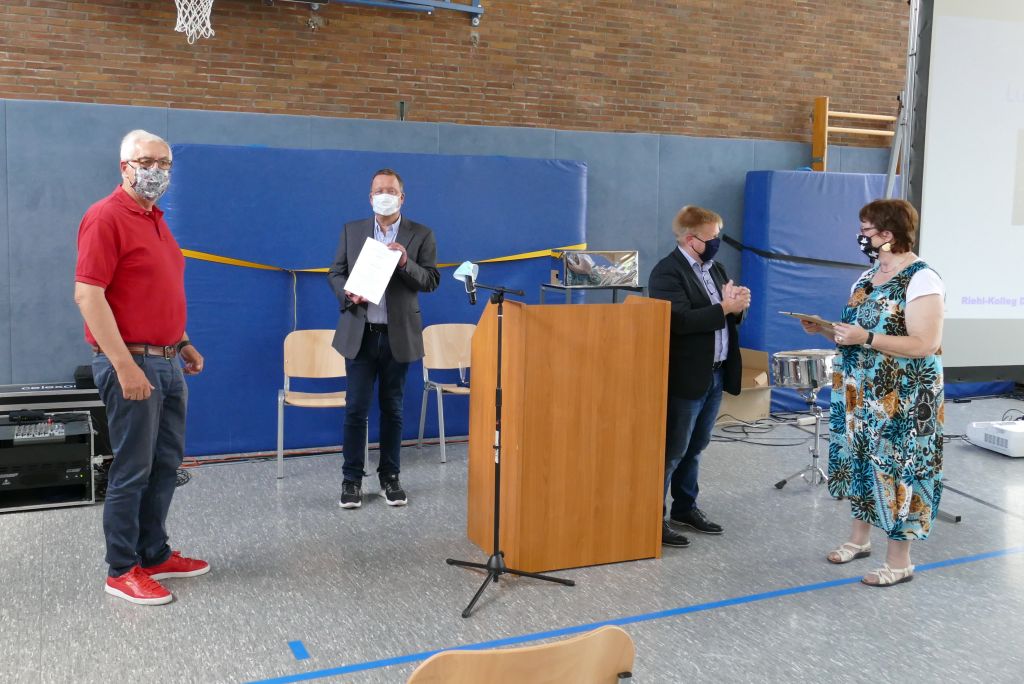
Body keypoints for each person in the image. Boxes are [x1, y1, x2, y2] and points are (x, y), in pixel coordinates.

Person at [74, 130, 209, 606]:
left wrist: (183, 341)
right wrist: (124, 366)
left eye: (164, 163)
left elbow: (153, 290)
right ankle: (121, 569)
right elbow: (88, 295)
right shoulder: (105, 217)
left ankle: (153, 554)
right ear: (124, 167)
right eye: (146, 161)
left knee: (166, 464)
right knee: (133, 469)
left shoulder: (156, 220)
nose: (156, 171)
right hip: (132, 363)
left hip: (167, 360)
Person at [802, 198, 944, 586]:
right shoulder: (866, 278)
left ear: (888, 234)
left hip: (904, 397)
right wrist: (826, 329)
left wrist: (865, 337)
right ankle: (859, 539)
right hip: (861, 393)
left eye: (866, 230)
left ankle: (900, 561)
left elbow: (925, 343)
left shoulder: (921, 278)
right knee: (863, 461)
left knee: (901, 470)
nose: (861, 236)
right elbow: (855, 336)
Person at [328, 169, 440, 509]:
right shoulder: (352, 231)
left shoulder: (421, 234)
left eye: (391, 190)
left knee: (393, 409)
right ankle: (351, 479)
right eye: (379, 190)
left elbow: (431, 280)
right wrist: (348, 294)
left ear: (401, 197)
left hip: (398, 335)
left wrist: (405, 262)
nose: (384, 195)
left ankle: (390, 477)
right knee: (355, 409)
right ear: (370, 197)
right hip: (360, 335)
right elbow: (335, 273)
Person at [648, 206, 751, 548]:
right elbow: (679, 321)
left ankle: (685, 507)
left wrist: (738, 307)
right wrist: (725, 308)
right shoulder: (667, 273)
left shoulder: (716, 269)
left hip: (716, 372)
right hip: (686, 375)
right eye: (712, 237)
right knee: (673, 450)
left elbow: (725, 315)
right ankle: (652, 518)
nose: (717, 242)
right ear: (691, 239)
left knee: (696, 447)